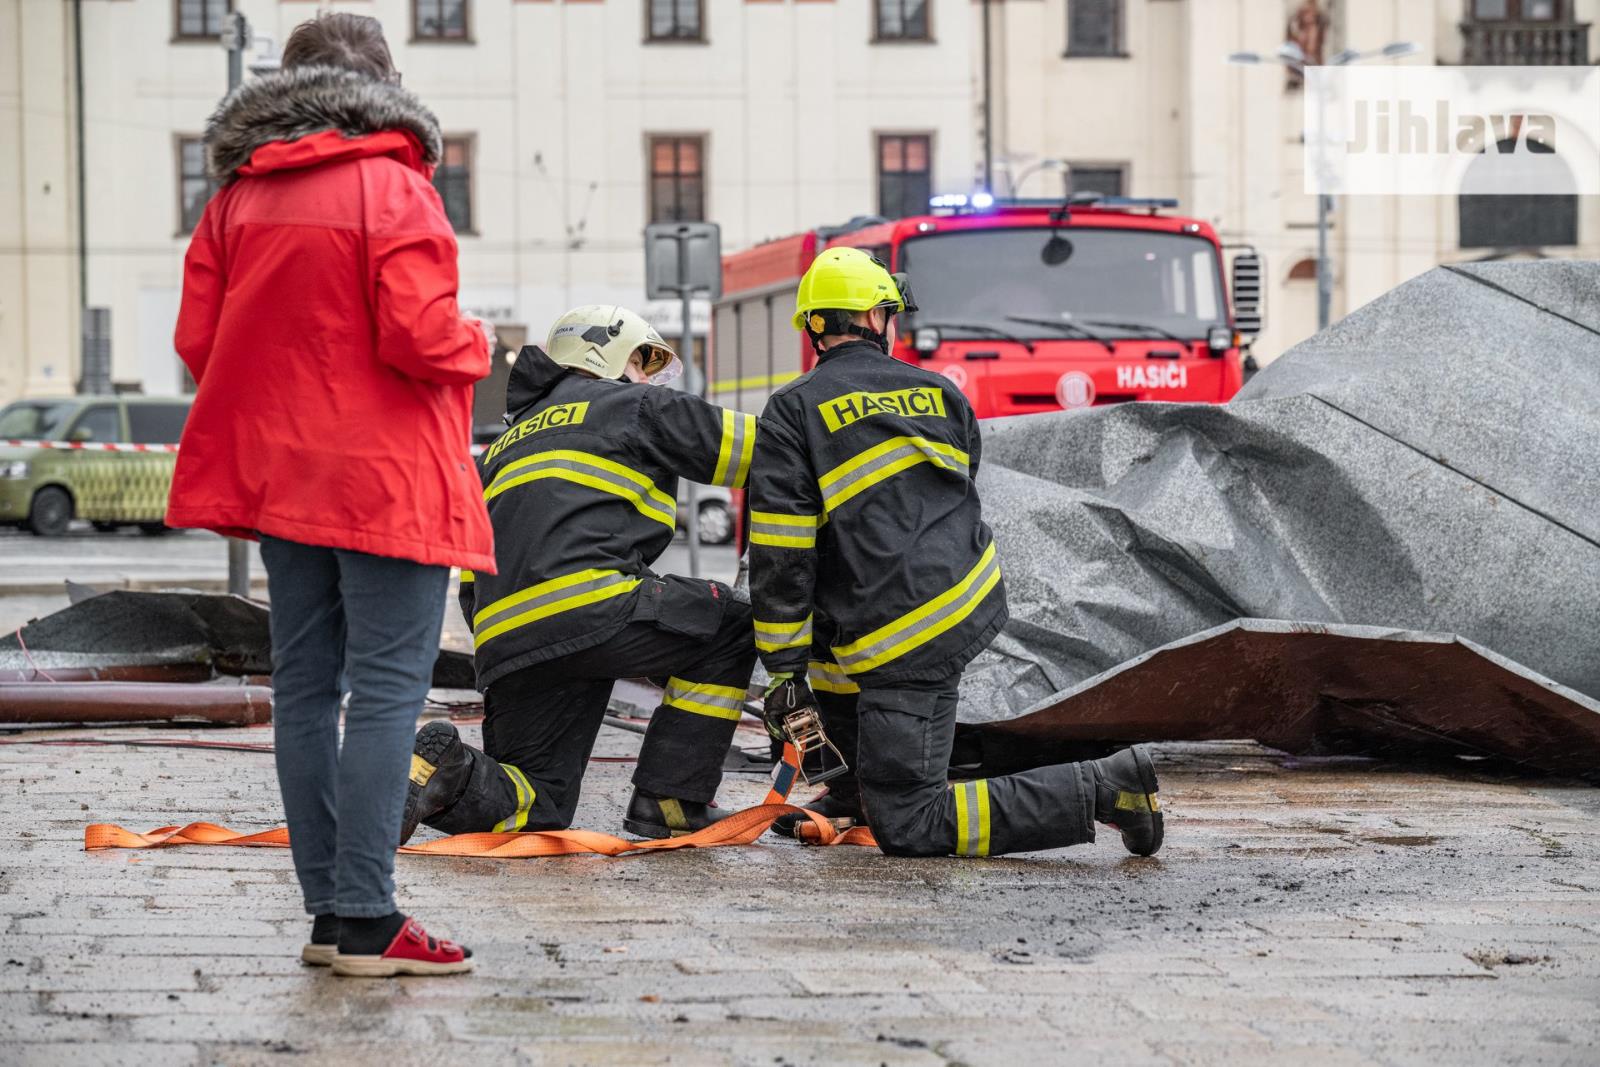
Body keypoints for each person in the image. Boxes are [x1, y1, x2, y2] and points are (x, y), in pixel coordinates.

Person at [168, 13, 488, 976]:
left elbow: (199, 342)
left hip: (284, 479)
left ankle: (328, 915)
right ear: (386, 85)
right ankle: (367, 916)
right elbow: (421, 337)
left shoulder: (236, 199)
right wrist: (486, 348)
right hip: (387, 476)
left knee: (306, 689)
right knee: (390, 692)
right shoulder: (396, 186)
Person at [747, 248, 1165, 858]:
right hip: (957, 597)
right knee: (827, 640)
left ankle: (1107, 786)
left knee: (912, 824)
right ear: (877, 318)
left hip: (905, 628)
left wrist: (781, 672)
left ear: (813, 326)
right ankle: (854, 791)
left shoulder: (794, 408)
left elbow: (784, 554)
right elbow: (959, 478)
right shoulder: (940, 391)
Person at [401, 305, 760, 843]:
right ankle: (670, 800)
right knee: (730, 625)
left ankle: (447, 771)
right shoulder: (634, 405)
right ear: (613, 355)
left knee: (537, 800)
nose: (652, 379)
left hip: (506, 637)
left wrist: (519, 642)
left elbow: (473, 578)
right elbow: (773, 452)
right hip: (592, 605)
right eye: (645, 363)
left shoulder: (503, 445)